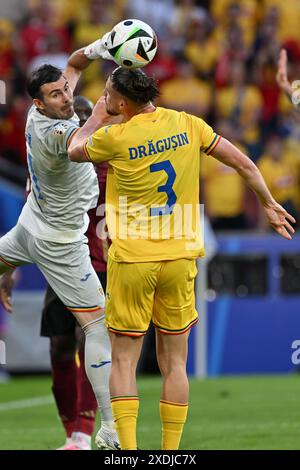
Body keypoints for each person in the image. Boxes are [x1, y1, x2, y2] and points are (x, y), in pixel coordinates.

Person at [68, 66, 295, 450]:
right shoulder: (189, 124)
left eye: (108, 93)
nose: (104, 98)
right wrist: (268, 202)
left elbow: (73, 149)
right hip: (180, 258)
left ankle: (129, 451)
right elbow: (240, 161)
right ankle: (171, 453)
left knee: (123, 359)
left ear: (123, 102)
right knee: (175, 362)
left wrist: (95, 115)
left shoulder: (114, 137)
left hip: (134, 259)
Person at [0, 36, 120, 450]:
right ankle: (109, 429)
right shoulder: (58, 133)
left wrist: (103, 45)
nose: (66, 98)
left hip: (28, 228)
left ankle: (85, 434)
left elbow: (73, 62)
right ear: (38, 104)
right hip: (61, 246)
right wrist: (103, 108)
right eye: (56, 95)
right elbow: (77, 144)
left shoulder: (45, 108)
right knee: (99, 326)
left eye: (65, 89)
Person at [37, 96, 109, 451]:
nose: (81, 122)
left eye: (87, 116)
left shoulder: (109, 159)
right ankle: (72, 432)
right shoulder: (51, 162)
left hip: (101, 265)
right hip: (60, 263)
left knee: (88, 341)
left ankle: (84, 430)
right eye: (76, 116)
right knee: (60, 346)